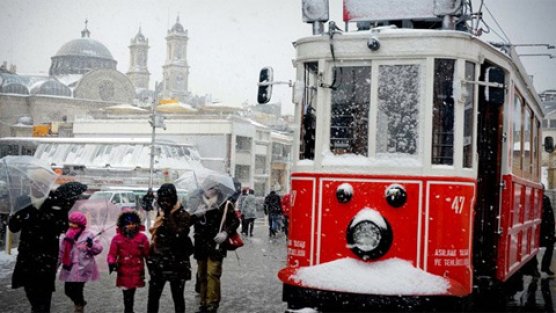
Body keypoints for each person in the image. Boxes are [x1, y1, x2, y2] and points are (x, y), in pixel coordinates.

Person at [8, 181, 87, 313]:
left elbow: (63, 226)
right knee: (31, 292)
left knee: (44, 298)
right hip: (27, 255)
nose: (39, 187)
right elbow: (14, 227)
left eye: (42, 184)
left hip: (47, 255)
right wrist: (16, 215)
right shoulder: (23, 201)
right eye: (35, 183)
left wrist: (57, 212)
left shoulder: (54, 201)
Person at [146, 183, 194, 313]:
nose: (163, 202)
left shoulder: (183, 215)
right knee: (153, 297)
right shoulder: (160, 214)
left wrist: (169, 216)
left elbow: (179, 235)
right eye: (161, 199)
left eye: (167, 199)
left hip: (177, 262)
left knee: (178, 297)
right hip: (159, 261)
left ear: (173, 199)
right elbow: (157, 237)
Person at [192, 186, 240, 313]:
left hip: (216, 245)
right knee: (202, 275)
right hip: (201, 245)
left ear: (217, 190)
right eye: (207, 187)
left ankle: (212, 304)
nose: (209, 190)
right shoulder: (198, 203)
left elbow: (235, 221)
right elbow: (189, 221)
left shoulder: (224, 204)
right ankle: (203, 303)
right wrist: (196, 215)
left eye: (212, 187)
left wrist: (226, 233)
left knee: (212, 273)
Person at [58, 211, 103, 313]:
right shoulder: (67, 234)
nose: (71, 225)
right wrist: (58, 261)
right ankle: (81, 302)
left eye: (74, 223)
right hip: (69, 267)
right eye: (70, 222)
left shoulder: (89, 235)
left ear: (81, 224)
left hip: (83, 266)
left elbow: (99, 249)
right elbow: (62, 250)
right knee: (68, 290)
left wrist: (91, 245)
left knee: (78, 289)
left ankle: (79, 308)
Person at [107, 210, 150, 313]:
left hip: (137, 270)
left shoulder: (142, 238)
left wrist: (152, 267)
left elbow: (147, 254)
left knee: (131, 292)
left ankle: (129, 310)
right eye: (127, 224)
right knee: (127, 294)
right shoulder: (117, 238)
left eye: (133, 224)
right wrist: (111, 262)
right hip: (123, 270)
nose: (130, 226)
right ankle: (128, 310)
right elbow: (112, 254)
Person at [541, 190, 556, 276]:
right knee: (550, 246)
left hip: (542, 230)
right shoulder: (545, 199)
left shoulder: (544, 199)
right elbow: (550, 217)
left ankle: (537, 268)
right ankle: (544, 267)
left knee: (532, 250)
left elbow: (550, 217)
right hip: (544, 230)